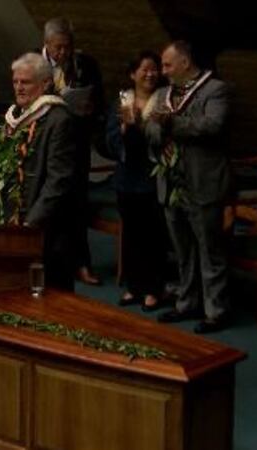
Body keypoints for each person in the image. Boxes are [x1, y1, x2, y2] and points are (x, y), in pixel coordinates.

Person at [0, 53, 80, 291]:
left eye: (25, 82)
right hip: (6, 220)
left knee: (46, 296)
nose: (19, 87)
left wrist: (29, 227)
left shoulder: (58, 119)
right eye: (15, 82)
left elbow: (58, 180)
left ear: (45, 84)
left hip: (42, 228)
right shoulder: (13, 118)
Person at [148, 41, 231, 334]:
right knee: (183, 249)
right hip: (171, 182)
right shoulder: (163, 93)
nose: (163, 71)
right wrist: (156, 127)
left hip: (203, 182)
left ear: (185, 62)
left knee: (209, 250)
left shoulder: (215, 90)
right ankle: (187, 302)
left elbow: (212, 126)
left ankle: (216, 310)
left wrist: (172, 123)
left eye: (168, 65)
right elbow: (153, 129)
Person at [41, 17, 105, 286]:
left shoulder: (85, 64)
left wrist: (91, 109)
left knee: (78, 204)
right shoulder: (32, 63)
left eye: (68, 47)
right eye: (58, 48)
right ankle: (45, 261)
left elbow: (100, 99)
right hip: (45, 145)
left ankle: (82, 263)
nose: (63, 53)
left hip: (76, 144)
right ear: (46, 44)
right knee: (48, 203)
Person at [104, 50, 168, 311]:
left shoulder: (164, 101)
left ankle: (153, 289)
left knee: (153, 235)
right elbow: (109, 139)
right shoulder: (122, 102)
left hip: (153, 177)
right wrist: (121, 132)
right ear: (133, 74)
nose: (150, 73)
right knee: (130, 234)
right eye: (144, 69)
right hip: (126, 178)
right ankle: (134, 286)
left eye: (154, 69)